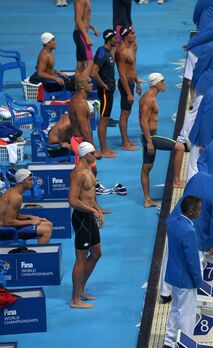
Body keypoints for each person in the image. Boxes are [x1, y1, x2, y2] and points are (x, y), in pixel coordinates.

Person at [160, 164, 213, 299]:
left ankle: (165, 293)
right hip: (196, 233)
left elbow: (186, 197)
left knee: (170, 256)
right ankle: (191, 296)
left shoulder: (199, 176)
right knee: (195, 264)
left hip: (176, 221)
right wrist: (212, 244)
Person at [178, 27, 213, 147]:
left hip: (209, 86)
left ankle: (185, 138)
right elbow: (200, 66)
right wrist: (193, 82)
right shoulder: (211, 48)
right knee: (195, 112)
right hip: (204, 86)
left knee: (197, 112)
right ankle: (182, 139)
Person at [139, 73, 185, 208]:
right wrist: (149, 141)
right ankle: (177, 180)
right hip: (151, 137)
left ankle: (147, 200)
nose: (165, 84)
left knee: (147, 167)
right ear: (156, 83)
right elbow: (142, 121)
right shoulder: (148, 99)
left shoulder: (151, 97)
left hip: (150, 136)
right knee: (180, 147)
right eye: (163, 81)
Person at [163, 196, 202, 347]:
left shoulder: (173, 223)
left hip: (173, 275)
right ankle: (185, 344)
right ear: (191, 211)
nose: (200, 212)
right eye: (199, 209)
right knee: (187, 315)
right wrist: (198, 280)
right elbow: (192, 261)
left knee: (175, 309)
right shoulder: (189, 231)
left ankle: (169, 341)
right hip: (186, 279)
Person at [68, 142, 104, 309]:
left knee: (96, 253)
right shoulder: (77, 173)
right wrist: (92, 210)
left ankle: (81, 289)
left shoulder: (89, 168)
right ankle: (75, 300)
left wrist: (98, 210)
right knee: (81, 259)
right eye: (92, 153)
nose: (95, 155)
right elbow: (73, 200)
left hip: (90, 214)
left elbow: (91, 194)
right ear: (84, 155)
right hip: (81, 218)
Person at [0, 169, 52, 245]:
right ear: (22, 181)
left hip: (6, 226)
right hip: (5, 231)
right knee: (46, 230)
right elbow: (8, 222)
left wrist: (30, 217)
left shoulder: (14, 191)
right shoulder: (16, 197)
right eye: (30, 180)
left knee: (48, 223)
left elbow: (11, 214)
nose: (32, 182)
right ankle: (38, 256)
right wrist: (30, 221)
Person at [91, 29, 118, 158]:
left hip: (110, 89)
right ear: (109, 39)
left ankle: (105, 147)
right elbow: (93, 72)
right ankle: (103, 149)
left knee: (106, 118)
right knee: (104, 119)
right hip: (105, 92)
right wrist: (103, 85)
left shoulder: (108, 52)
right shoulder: (102, 52)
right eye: (114, 38)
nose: (117, 40)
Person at [115, 27, 142, 151]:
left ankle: (127, 140)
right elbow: (122, 74)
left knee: (127, 113)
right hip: (125, 85)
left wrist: (137, 83)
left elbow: (132, 67)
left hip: (131, 83)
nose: (134, 35)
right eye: (132, 33)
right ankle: (124, 143)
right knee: (124, 114)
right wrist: (128, 93)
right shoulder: (121, 52)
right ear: (126, 36)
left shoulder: (132, 48)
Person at [69, 78, 100, 168]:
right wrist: (94, 149)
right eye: (89, 83)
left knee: (90, 175)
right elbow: (84, 129)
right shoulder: (80, 104)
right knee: (84, 175)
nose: (92, 84)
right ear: (82, 86)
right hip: (82, 144)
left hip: (82, 141)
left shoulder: (77, 99)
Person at [73, 0, 100, 79]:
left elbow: (83, 19)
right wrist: (86, 37)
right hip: (81, 35)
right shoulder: (80, 1)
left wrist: (92, 27)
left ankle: (78, 87)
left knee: (80, 64)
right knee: (90, 63)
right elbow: (78, 20)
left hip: (80, 34)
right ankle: (82, 87)